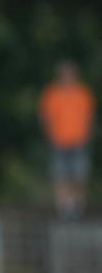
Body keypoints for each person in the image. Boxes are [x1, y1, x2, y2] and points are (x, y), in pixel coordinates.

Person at [39, 60, 96, 218]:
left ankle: (77, 205)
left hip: (78, 141)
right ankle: (64, 207)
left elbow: (90, 116)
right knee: (60, 175)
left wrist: (87, 135)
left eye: (70, 73)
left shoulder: (83, 94)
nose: (67, 76)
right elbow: (45, 116)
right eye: (64, 73)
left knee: (80, 174)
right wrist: (50, 136)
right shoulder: (52, 94)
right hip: (59, 141)